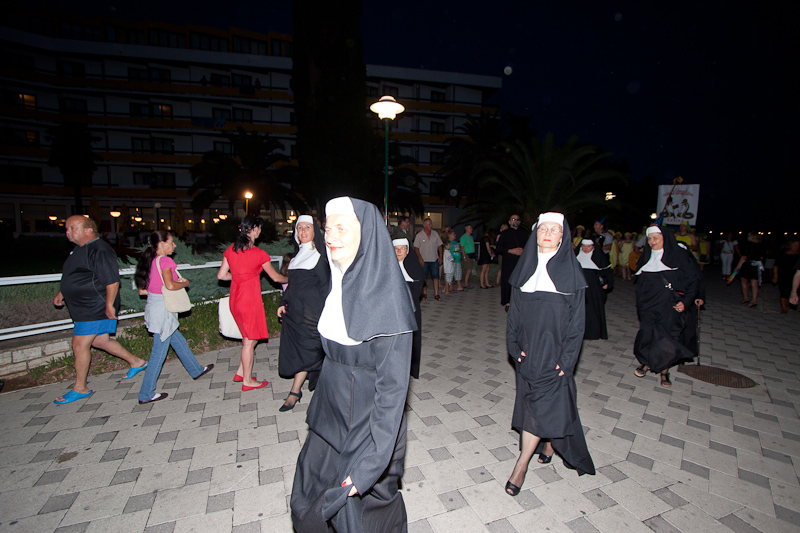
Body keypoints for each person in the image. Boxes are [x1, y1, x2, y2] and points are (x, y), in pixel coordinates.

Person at [291, 197, 416, 532]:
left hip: (368, 423)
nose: (330, 235)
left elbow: (392, 393)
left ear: (367, 233)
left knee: (357, 516)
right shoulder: (338, 280)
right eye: (328, 227)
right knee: (306, 500)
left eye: (342, 227)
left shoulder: (390, 301)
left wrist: (370, 466)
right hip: (328, 418)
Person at [505, 213, 595, 497]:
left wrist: (567, 360)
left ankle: (521, 465)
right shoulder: (525, 268)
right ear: (536, 234)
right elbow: (514, 316)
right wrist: (514, 347)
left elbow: (577, 324)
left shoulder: (572, 271)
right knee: (534, 401)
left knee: (536, 408)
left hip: (555, 351)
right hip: (528, 350)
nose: (548, 233)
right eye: (543, 228)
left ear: (562, 237)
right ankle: (548, 443)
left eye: (554, 230)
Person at [53, 216, 148, 404]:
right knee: (100, 340)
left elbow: (112, 280)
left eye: (73, 228)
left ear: (88, 230)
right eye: (67, 228)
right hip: (85, 305)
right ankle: (136, 362)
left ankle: (80, 388)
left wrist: (108, 304)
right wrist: (62, 292)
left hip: (94, 305)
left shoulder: (100, 249)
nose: (68, 232)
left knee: (80, 344)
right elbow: (77, 276)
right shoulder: (79, 250)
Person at [134, 231, 213, 404]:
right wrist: (185, 283)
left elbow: (143, 290)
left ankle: (196, 370)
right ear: (161, 244)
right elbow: (170, 285)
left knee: (177, 340)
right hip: (164, 310)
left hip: (154, 307)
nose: (174, 245)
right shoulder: (165, 261)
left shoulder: (149, 261)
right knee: (158, 354)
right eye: (171, 242)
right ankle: (146, 394)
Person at [217, 215, 287, 391]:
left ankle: (241, 372)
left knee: (249, 338)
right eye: (260, 228)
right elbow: (276, 277)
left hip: (235, 299)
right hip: (249, 300)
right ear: (255, 229)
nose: (260, 231)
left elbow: (221, 275)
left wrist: (239, 277)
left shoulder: (230, 249)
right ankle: (247, 380)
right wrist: (291, 279)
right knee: (249, 340)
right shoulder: (259, 254)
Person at [632, 226, 698, 388]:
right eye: (649, 238)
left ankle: (664, 371)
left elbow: (693, 280)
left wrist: (686, 301)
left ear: (665, 238)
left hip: (669, 304)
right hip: (647, 305)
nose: (652, 241)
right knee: (647, 334)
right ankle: (647, 361)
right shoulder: (646, 257)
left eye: (656, 238)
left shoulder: (679, 256)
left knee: (667, 337)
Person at [276, 216, 329, 411]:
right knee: (301, 351)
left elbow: (325, 287)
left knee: (310, 351)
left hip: (313, 313)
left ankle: (295, 391)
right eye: (300, 228)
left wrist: (327, 313)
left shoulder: (319, 257)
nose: (303, 231)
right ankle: (298, 391)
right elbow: (291, 286)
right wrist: (283, 302)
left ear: (315, 231)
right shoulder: (296, 257)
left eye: (307, 227)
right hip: (296, 313)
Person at [394, 238, 424, 378]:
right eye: (396, 249)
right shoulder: (389, 266)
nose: (399, 252)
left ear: (407, 250)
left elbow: (416, 290)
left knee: (411, 339)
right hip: (393, 309)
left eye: (402, 248)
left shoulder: (414, 267)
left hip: (410, 308)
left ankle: (411, 369)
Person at [576, 239, 613, 340]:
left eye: (588, 246)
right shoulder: (575, 257)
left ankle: (593, 333)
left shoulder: (600, 258)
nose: (585, 249)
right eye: (583, 246)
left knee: (594, 310)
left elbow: (607, 273)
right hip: (579, 288)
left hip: (594, 288)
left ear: (593, 247)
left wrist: (607, 283)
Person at [496, 214, 528, 311]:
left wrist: (523, 250)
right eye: (513, 219)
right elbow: (499, 248)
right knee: (507, 281)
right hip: (508, 261)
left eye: (518, 219)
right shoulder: (504, 234)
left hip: (521, 261)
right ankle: (508, 302)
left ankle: (520, 301)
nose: (516, 221)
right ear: (509, 222)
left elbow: (529, 246)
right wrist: (510, 251)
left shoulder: (524, 233)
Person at [413, 217, 444, 301]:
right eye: (429, 224)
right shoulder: (419, 235)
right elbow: (416, 248)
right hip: (424, 260)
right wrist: (419, 258)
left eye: (431, 224)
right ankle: (424, 293)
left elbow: (440, 245)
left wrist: (441, 256)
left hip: (434, 259)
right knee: (424, 277)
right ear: (424, 225)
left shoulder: (435, 234)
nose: (431, 225)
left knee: (436, 277)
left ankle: (436, 294)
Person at [734, 232, 765, 307]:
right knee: (754, 284)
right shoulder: (761, 246)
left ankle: (746, 298)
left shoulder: (748, 245)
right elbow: (761, 257)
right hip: (756, 265)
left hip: (747, 264)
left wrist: (737, 267)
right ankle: (754, 300)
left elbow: (744, 256)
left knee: (744, 282)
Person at [773, 239, 800, 314]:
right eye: (795, 245)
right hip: (784, 275)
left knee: (791, 292)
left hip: (794, 276)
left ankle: (789, 305)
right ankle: (784, 308)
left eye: (798, 245)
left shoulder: (798, 255)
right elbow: (776, 265)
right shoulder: (783, 254)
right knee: (784, 292)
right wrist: (775, 275)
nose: (796, 247)